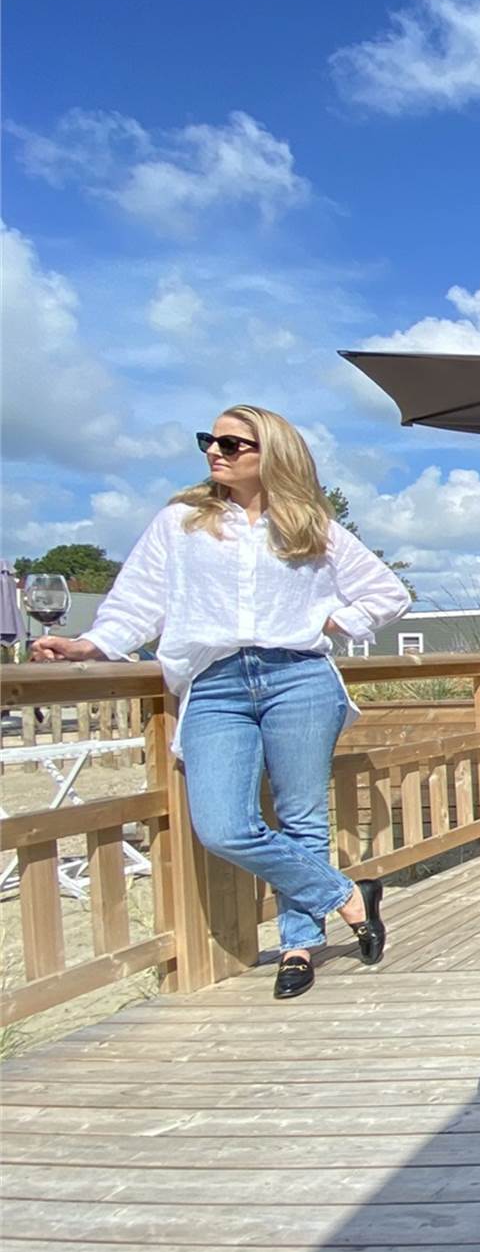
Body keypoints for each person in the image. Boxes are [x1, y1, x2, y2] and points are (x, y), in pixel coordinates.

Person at [32, 405, 412, 999]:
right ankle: (347, 896)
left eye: (232, 444)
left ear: (272, 453)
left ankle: (298, 946)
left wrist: (334, 619)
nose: (215, 450)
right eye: (209, 440)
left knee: (302, 818)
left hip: (299, 676)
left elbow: (388, 593)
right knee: (224, 827)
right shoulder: (181, 522)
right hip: (214, 681)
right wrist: (90, 644)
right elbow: (138, 602)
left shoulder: (310, 527)